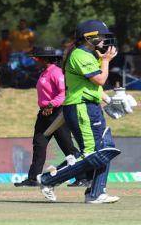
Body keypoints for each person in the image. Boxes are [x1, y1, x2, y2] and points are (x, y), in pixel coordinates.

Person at [37, 19, 120, 203]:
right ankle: (48, 180)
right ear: (89, 38)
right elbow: (99, 80)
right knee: (91, 153)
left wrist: (109, 100)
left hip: (90, 106)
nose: (104, 41)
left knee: (105, 149)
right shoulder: (80, 55)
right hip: (81, 107)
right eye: (101, 37)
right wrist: (106, 61)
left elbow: (93, 88)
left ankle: (96, 193)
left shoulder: (90, 55)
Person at [14, 47, 88, 187]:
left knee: (68, 148)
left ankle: (83, 177)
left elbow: (64, 93)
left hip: (57, 113)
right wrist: (46, 108)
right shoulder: (44, 73)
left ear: (45, 59)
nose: (34, 61)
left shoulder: (56, 72)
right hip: (44, 113)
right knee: (39, 144)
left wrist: (51, 105)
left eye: (36, 58)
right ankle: (33, 178)